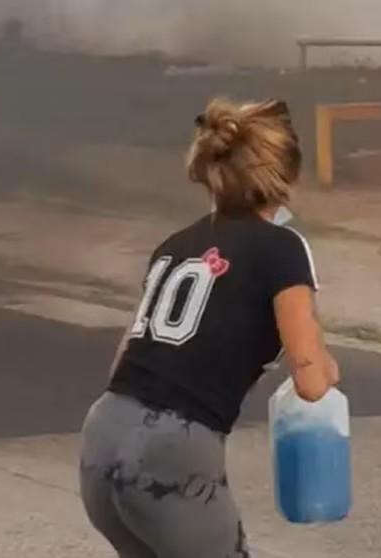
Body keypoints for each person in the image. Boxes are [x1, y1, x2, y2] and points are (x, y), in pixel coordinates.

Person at [78, 97, 340, 558]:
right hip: (170, 453)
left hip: (102, 438)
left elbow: (124, 361)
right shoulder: (281, 248)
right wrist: (325, 364)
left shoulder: (173, 246)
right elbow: (311, 380)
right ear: (286, 178)